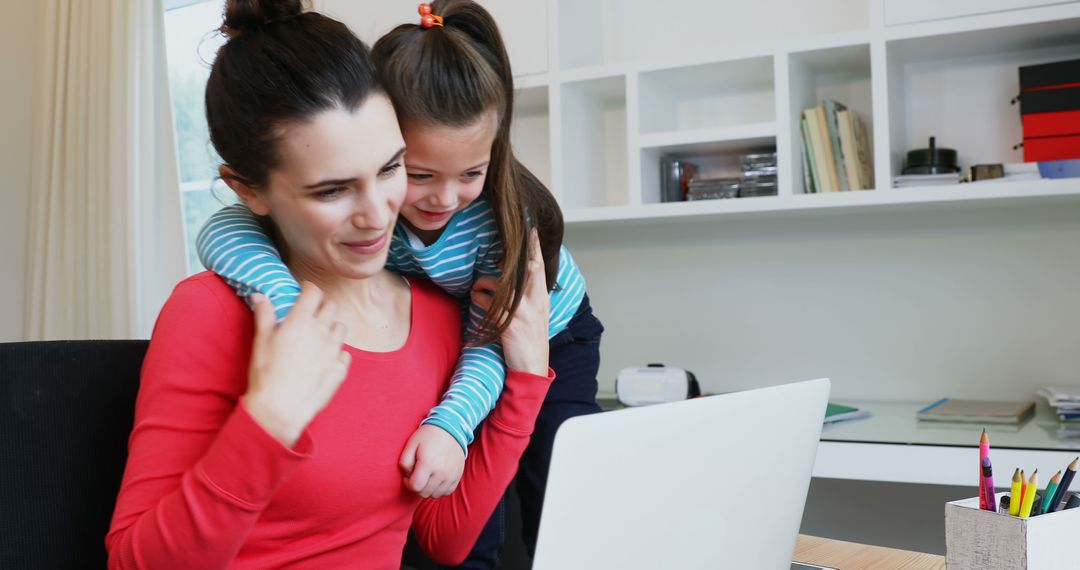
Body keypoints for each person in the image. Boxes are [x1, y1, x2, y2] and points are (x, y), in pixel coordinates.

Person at [105, 2, 553, 568]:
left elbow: (445, 537)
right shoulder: (211, 314)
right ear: (250, 190)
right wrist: (268, 421)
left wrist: (526, 377)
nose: (377, 215)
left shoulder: (439, 316)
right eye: (332, 191)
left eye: (392, 168)